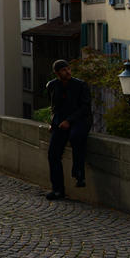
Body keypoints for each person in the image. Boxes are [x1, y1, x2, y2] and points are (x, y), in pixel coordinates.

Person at [44, 59, 93, 200]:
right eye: (64, 70)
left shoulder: (81, 85)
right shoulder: (52, 85)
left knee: (76, 137)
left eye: (68, 69)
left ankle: (79, 174)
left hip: (80, 120)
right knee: (53, 154)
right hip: (61, 122)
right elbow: (54, 107)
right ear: (57, 73)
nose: (68, 72)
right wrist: (53, 123)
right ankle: (57, 189)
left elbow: (85, 108)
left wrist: (69, 121)